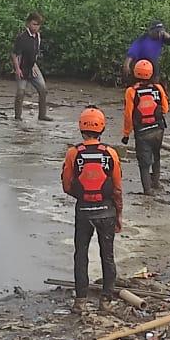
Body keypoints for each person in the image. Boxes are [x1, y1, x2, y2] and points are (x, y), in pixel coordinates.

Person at [61, 107, 123, 311]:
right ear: (102, 127)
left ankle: (80, 301)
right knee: (108, 255)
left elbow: (66, 185)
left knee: (81, 254)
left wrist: (84, 198)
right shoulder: (110, 153)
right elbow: (117, 188)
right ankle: (106, 301)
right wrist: (118, 214)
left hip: (84, 211)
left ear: (80, 127)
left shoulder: (73, 153)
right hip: (107, 211)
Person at [121, 59, 169, 194]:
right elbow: (165, 109)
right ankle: (156, 183)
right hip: (158, 129)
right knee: (156, 155)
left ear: (135, 73)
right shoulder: (158, 88)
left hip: (142, 132)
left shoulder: (131, 91)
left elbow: (128, 115)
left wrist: (126, 134)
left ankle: (147, 190)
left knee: (144, 162)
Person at [12, 11, 52, 122]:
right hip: (22, 66)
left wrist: (34, 65)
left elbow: (35, 52)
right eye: (34, 24)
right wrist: (17, 69)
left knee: (43, 89)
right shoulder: (21, 37)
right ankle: (18, 117)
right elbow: (14, 54)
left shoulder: (38, 36)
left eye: (38, 25)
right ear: (28, 24)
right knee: (20, 92)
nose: (36, 27)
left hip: (33, 66)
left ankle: (42, 115)